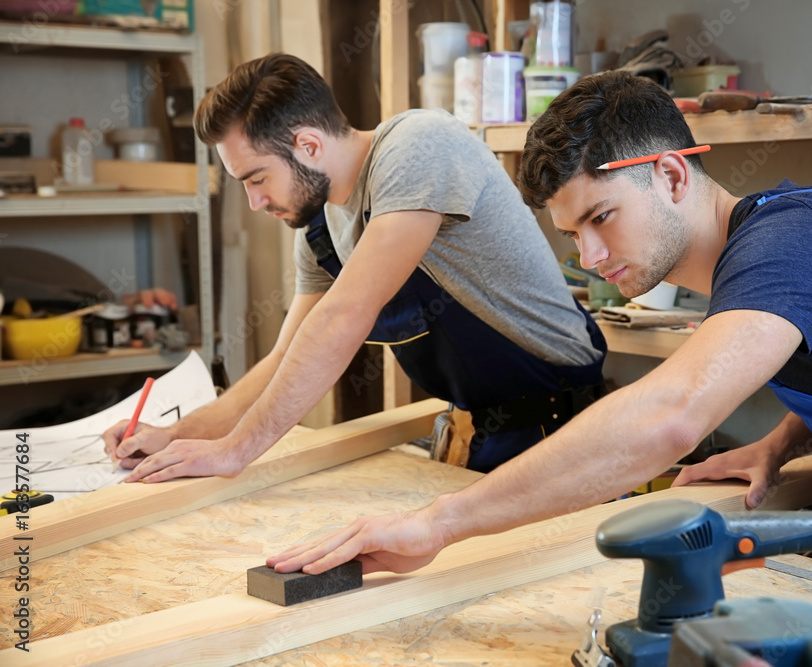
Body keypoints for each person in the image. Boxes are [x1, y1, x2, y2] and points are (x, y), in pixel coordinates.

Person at [264, 69, 812, 578]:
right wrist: (780, 441)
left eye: (602, 217)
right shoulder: (762, 266)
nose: (587, 255)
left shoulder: (792, 245)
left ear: (673, 175)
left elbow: (670, 416)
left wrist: (438, 523)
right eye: (570, 234)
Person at [102, 53, 606, 478]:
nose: (255, 202)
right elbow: (286, 358)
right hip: (477, 434)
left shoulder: (418, 146)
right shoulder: (320, 228)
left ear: (309, 145)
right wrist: (174, 434)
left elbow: (344, 316)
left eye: (257, 179)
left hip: (562, 427)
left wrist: (237, 451)